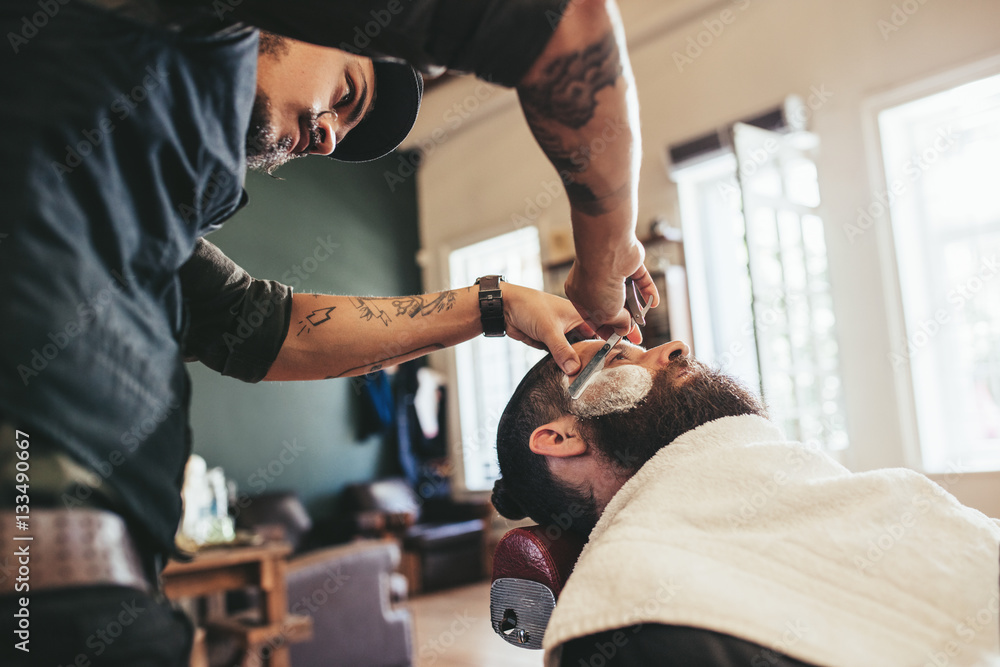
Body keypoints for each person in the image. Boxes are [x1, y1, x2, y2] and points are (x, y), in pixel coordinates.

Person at [0, 0, 654, 663]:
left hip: (105, 589)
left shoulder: (126, 185)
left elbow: (255, 323)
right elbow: (559, 21)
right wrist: (605, 255)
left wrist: (496, 305)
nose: (331, 139)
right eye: (347, 95)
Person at [492, 340, 1000, 667]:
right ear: (559, 439)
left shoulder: (846, 492)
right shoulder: (638, 605)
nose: (674, 348)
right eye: (620, 359)